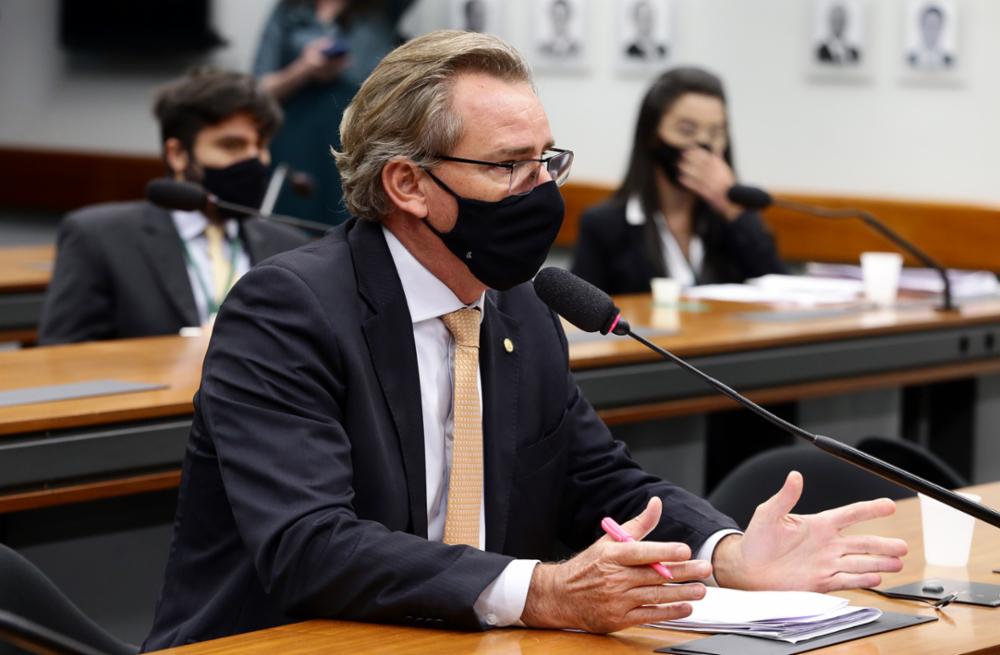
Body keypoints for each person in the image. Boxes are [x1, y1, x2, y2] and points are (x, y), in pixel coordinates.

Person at [142, 31, 906, 649]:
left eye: (546, 160)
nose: (540, 190)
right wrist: (539, 591)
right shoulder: (288, 311)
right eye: (508, 167)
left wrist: (730, 554)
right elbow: (310, 544)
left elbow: (601, 482)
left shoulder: (521, 308)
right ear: (408, 185)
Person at [38, 69, 309, 345]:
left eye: (261, 146)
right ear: (177, 155)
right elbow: (61, 357)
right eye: (232, 145)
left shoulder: (288, 246)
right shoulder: (99, 238)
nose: (255, 161)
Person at [571, 67, 784, 296]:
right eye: (686, 130)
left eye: (715, 133)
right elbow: (578, 316)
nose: (702, 144)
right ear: (652, 134)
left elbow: (779, 290)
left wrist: (732, 208)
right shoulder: (605, 225)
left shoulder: (732, 223)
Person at [253, 0, 414, 225]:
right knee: (291, 220)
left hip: (358, 132)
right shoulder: (289, 10)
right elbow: (260, 89)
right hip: (296, 134)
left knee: (351, 219)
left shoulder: (380, 9)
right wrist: (304, 69)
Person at [907, 4, 954, 69]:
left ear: (941, 28)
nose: (932, 31)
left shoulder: (948, 59)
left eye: (935, 26)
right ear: (922, 27)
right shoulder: (911, 58)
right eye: (929, 25)